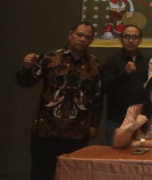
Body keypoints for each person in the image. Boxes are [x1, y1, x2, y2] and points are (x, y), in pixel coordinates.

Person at [16, 22, 102, 180]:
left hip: (77, 132)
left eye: (87, 37)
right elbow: (25, 82)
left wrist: (94, 124)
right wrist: (26, 68)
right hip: (46, 129)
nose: (82, 39)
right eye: (79, 34)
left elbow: (97, 97)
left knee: (73, 176)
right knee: (42, 174)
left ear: (91, 40)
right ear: (70, 35)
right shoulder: (50, 58)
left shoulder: (94, 65)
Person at [102, 24, 150, 145]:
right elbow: (105, 87)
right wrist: (125, 73)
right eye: (127, 37)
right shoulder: (112, 60)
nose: (130, 40)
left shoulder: (146, 62)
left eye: (134, 37)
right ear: (120, 39)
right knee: (115, 154)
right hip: (117, 119)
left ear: (140, 40)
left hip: (140, 119)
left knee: (140, 153)